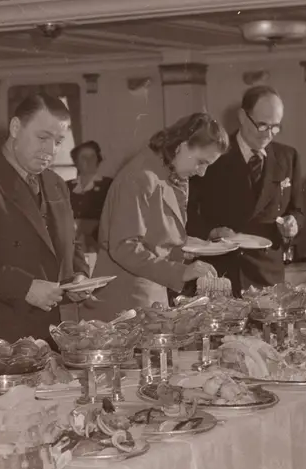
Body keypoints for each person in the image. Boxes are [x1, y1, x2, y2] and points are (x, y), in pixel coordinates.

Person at [0, 93, 90, 343]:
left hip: (50, 333)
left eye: (58, 141)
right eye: (42, 138)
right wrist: (25, 287)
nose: (51, 150)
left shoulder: (56, 184)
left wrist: (79, 276)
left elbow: (71, 242)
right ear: (15, 128)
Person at [92, 112, 228, 319]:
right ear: (182, 146)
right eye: (201, 162)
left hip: (152, 292)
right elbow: (124, 247)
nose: (202, 172)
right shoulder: (139, 176)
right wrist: (181, 272)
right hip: (127, 298)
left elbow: (155, 236)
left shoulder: (171, 173)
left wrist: (186, 246)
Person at [186, 84, 304, 294]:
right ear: (242, 116)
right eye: (262, 125)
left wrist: (292, 225)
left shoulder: (288, 157)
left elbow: (298, 211)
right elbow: (187, 211)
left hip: (268, 275)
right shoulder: (213, 156)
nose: (269, 134)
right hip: (223, 273)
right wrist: (210, 232)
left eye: (275, 126)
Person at [67, 140, 112, 260]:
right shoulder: (65, 186)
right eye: (83, 157)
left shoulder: (109, 185)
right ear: (76, 162)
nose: (88, 160)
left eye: (92, 157)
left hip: (98, 245)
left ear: (98, 160)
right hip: (70, 244)